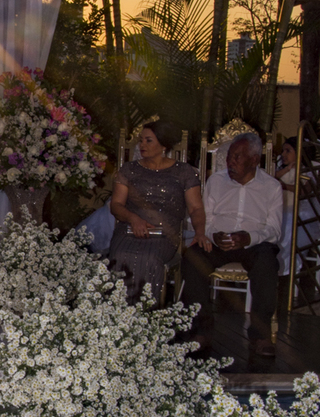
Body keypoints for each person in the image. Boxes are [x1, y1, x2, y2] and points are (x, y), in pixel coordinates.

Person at [181, 132, 283, 356]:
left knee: (267, 262)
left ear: (254, 160)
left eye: (237, 157)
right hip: (219, 240)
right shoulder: (216, 181)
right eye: (229, 156)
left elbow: (274, 230)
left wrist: (248, 237)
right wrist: (212, 234)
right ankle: (202, 330)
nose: (230, 162)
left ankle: (260, 335)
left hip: (254, 244)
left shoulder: (272, 186)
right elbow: (205, 218)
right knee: (193, 258)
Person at [108, 121, 206, 301]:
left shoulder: (184, 172)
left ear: (163, 145)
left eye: (148, 140)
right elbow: (116, 205)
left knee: (149, 258)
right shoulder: (129, 169)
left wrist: (200, 232)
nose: (142, 145)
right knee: (121, 255)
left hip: (164, 235)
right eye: (141, 140)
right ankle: (117, 311)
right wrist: (133, 218)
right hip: (129, 230)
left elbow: (196, 208)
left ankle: (145, 311)